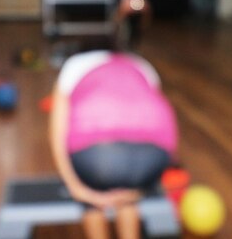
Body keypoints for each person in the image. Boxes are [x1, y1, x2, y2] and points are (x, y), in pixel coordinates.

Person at [49, 50, 178, 239]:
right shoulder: (141, 63)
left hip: (100, 158)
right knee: (127, 193)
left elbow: (57, 133)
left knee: (94, 186)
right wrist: (142, 189)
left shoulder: (73, 65)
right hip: (153, 156)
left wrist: (77, 188)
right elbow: (162, 120)